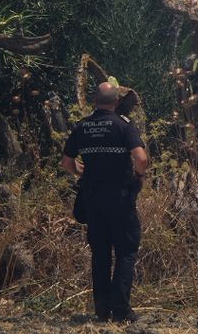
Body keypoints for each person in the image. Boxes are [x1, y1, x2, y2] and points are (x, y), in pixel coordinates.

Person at [62, 81, 148, 323]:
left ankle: (101, 310)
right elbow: (141, 159)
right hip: (120, 199)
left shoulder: (82, 127)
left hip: (93, 199)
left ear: (94, 102)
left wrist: (82, 172)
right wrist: (139, 176)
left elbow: (66, 163)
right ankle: (121, 310)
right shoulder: (123, 125)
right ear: (116, 102)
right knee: (126, 251)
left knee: (100, 254)